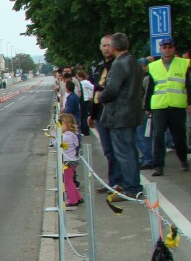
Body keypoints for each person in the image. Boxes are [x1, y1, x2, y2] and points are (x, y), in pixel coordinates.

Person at [97, 32, 143, 200]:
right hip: (132, 112)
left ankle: (130, 188)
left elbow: (112, 90)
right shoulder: (135, 62)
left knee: (123, 153)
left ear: (114, 47)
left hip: (119, 114)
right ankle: (134, 185)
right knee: (131, 151)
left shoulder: (119, 64)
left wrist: (100, 97)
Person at [144, 37, 191, 175]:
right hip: (159, 106)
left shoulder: (183, 64)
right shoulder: (154, 66)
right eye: (164, 47)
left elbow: (189, 85)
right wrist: (147, 106)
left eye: (170, 47)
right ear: (160, 49)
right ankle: (158, 166)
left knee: (179, 137)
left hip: (177, 106)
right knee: (158, 136)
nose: (167, 50)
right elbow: (150, 87)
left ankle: (183, 160)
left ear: (174, 49)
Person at [88, 34, 118, 193]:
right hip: (100, 113)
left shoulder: (118, 65)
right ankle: (112, 182)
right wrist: (91, 115)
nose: (106, 48)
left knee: (116, 150)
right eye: (104, 45)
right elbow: (96, 92)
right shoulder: (99, 67)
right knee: (108, 150)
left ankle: (118, 182)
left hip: (114, 112)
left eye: (109, 45)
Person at [59, 113, 83, 206]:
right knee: (70, 180)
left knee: (67, 182)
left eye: (62, 124)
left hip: (67, 161)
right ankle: (78, 197)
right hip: (72, 160)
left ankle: (72, 199)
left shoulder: (66, 136)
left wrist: (53, 134)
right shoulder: (73, 135)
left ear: (68, 124)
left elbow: (57, 143)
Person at [136, 58, 154, 170]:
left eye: (143, 66)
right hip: (139, 109)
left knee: (144, 136)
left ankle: (148, 159)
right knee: (139, 136)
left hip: (144, 109)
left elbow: (146, 94)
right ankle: (145, 157)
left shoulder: (147, 78)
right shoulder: (140, 78)